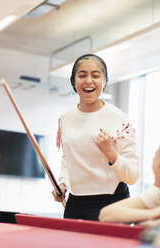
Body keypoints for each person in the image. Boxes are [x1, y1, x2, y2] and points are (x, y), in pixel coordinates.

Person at [52, 53, 140, 221]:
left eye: (95, 75)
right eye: (82, 75)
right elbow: (68, 158)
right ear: (74, 81)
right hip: (75, 203)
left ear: (104, 82)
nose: (88, 80)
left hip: (112, 203)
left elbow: (133, 176)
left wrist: (111, 154)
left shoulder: (120, 119)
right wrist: (62, 183)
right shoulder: (65, 118)